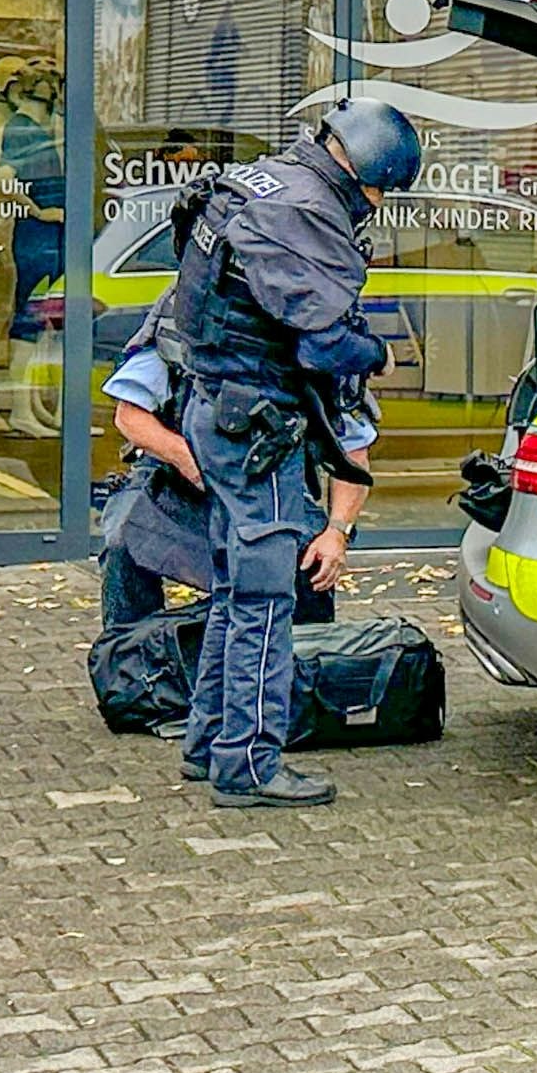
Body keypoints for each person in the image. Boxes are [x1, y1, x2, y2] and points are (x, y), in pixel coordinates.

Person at [158, 99, 422, 808]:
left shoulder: (262, 180)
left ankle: (209, 739)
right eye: (381, 191)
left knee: (231, 581)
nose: (378, 205)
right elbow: (324, 343)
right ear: (366, 172)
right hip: (257, 427)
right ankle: (248, 763)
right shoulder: (308, 213)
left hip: (212, 406)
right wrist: (380, 355)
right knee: (267, 597)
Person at [92, 340, 376, 735]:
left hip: (273, 482)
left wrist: (336, 532)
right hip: (180, 474)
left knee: (311, 555)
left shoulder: (322, 340)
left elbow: (353, 456)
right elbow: (129, 415)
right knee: (125, 539)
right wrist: (189, 459)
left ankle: (299, 682)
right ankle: (132, 678)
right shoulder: (185, 321)